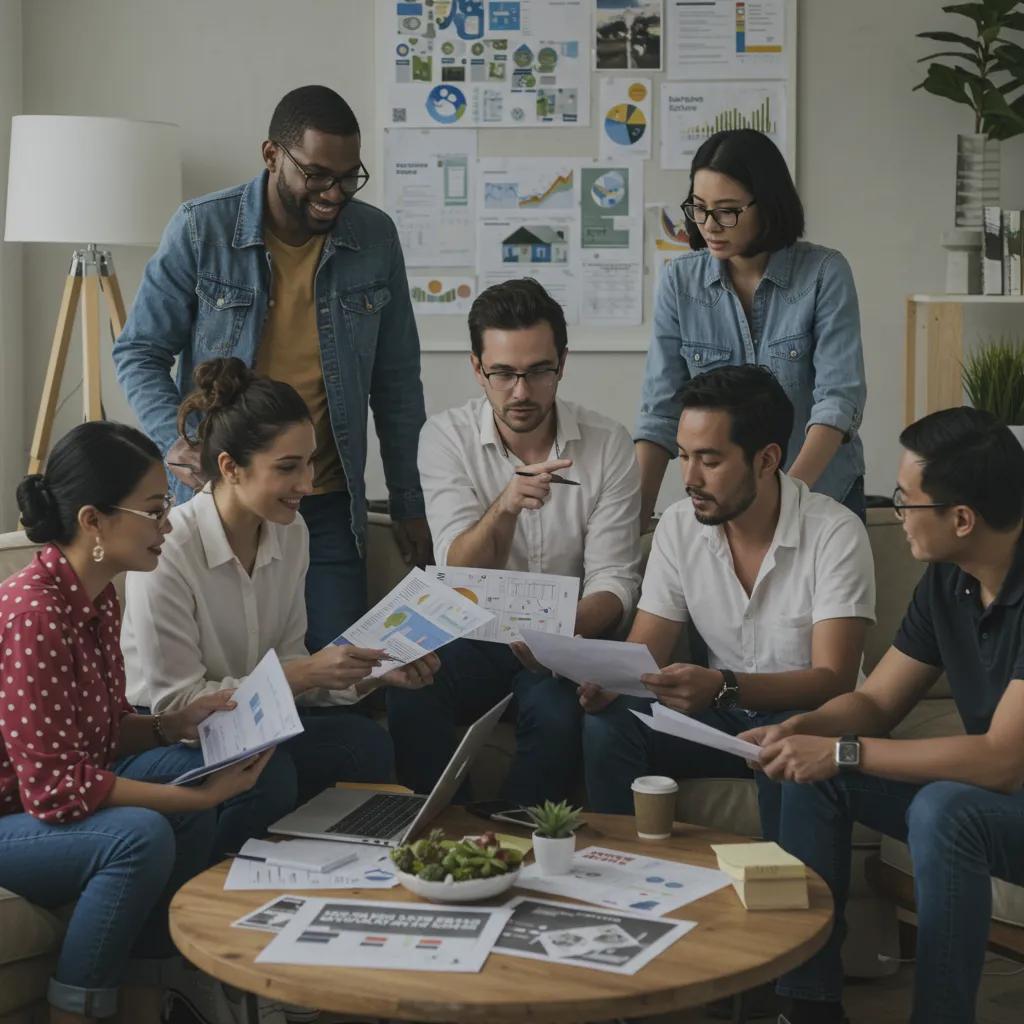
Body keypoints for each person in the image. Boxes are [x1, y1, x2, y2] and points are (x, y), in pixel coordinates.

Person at [113, 84, 430, 655]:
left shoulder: (375, 238)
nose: (334, 194)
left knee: (340, 679)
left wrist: (411, 503)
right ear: (271, 156)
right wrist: (174, 441)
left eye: (349, 177)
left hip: (328, 500)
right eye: (316, 176)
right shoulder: (199, 230)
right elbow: (138, 351)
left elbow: (397, 382)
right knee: (232, 670)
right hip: (225, 497)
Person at [745, 408, 1024, 1024]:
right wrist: (806, 728)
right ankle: (808, 1005)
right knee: (817, 774)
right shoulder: (947, 581)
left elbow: (1002, 761)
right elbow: (876, 702)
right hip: (1001, 802)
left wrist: (845, 749)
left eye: (907, 500)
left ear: (961, 519)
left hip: (1008, 798)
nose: (896, 512)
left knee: (943, 808)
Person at [0, 421, 279, 1024]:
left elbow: (100, 736)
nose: (170, 524)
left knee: (199, 757)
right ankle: (75, 1010)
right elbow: (55, 790)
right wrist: (199, 802)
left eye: (169, 505)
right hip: (13, 818)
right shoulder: (35, 614)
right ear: (93, 520)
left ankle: (147, 996)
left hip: (47, 799)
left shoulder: (97, 597)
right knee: (142, 833)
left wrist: (173, 723)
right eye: (155, 510)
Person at [122, 357, 440, 810]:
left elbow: (292, 660)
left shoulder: (291, 531)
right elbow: (177, 704)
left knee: (365, 744)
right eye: (288, 467)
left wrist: (374, 673)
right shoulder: (170, 546)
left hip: (257, 728)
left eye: (310, 463)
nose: (307, 484)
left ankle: (320, 864)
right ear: (231, 467)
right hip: (172, 738)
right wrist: (300, 673)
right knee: (269, 772)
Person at [583, 365, 874, 839]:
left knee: (794, 741)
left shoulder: (835, 532)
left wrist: (723, 685)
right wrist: (611, 681)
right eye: (682, 456)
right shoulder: (679, 526)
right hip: (721, 724)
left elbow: (833, 680)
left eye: (710, 461)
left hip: (807, 717)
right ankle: (622, 872)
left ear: (766, 459)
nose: (690, 478)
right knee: (611, 724)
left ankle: (805, 910)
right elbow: (647, 652)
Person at [387, 278, 642, 804]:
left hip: (563, 642)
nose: (521, 392)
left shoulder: (609, 443)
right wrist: (504, 507)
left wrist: (556, 637)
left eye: (537, 371)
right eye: (503, 373)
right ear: (477, 368)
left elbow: (615, 583)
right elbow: (455, 573)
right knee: (410, 689)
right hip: (472, 637)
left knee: (552, 709)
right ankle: (439, 838)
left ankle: (519, 841)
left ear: (562, 363)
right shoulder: (444, 437)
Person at [635, 128, 867, 526]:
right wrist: (636, 517)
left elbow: (837, 403)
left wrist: (785, 503)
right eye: (698, 207)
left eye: (727, 210)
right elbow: (660, 410)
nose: (709, 225)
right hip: (722, 503)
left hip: (819, 495)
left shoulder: (824, 274)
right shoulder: (680, 283)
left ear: (768, 206)